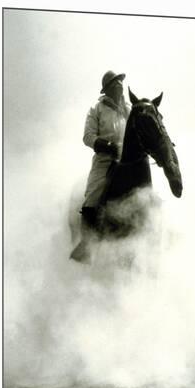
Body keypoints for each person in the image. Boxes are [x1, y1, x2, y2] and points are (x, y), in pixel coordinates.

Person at [70, 70, 131, 262]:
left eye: (121, 82)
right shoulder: (96, 109)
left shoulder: (128, 109)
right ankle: (86, 245)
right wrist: (108, 146)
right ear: (108, 89)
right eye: (117, 83)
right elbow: (88, 137)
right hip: (105, 159)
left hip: (129, 159)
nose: (121, 85)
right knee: (93, 193)